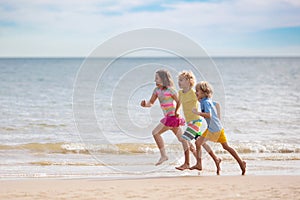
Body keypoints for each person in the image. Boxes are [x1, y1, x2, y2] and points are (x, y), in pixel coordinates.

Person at [191, 81, 246, 175]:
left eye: (198, 91)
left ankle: (199, 164)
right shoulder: (207, 101)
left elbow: (208, 115)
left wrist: (198, 113)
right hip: (217, 128)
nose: (196, 93)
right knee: (226, 147)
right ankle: (241, 162)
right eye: (195, 91)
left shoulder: (205, 102)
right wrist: (218, 118)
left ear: (204, 92)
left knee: (198, 143)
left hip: (213, 130)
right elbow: (217, 105)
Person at [140, 69, 192, 168]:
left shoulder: (170, 90)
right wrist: (145, 104)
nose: (155, 80)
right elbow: (151, 103)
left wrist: (176, 112)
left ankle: (164, 155)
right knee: (182, 139)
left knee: (155, 133)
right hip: (168, 118)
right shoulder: (156, 90)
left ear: (163, 79)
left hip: (172, 117)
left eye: (157, 78)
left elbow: (179, 102)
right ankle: (195, 156)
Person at [176, 71, 221, 174]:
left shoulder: (194, 93)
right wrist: (176, 112)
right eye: (179, 80)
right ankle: (216, 159)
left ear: (189, 81)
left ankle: (187, 163)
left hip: (196, 121)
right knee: (201, 143)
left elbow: (205, 100)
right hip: (189, 122)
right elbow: (179, 102)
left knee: (184, 139)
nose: (179, 82)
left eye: (181, 80)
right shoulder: (180, 93)